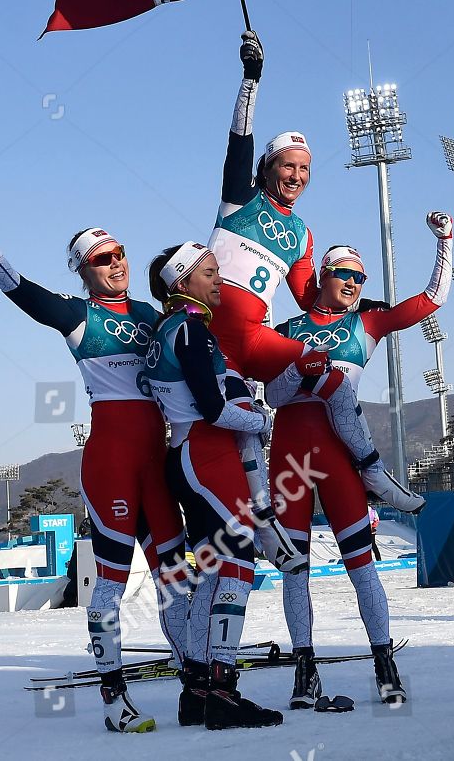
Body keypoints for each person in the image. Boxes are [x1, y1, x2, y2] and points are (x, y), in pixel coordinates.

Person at [0, 195, 188, 734]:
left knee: (178, 581)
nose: (118, 262)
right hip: (112, 462)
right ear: (85, 271)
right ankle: (114, 698)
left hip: (158, 462)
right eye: (103, 258)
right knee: (110, 584)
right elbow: (19, 289)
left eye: (121, 252)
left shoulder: (154, 315)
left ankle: (194, 681)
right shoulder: (79, 315)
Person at [205, 31, 413, 511]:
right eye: (289, 166)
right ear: (268, 167)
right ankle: (261, 519)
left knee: (332, 379)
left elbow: (308, 298)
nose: (297, 176)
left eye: (306, 169)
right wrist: (250, 80)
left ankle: (373, 472)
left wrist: (360, 301)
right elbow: (238, 142)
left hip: (255, 338)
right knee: (243, 419)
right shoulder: (241, 198)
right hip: (212, 336)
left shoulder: (301, 231)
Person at [264, 213, 451, 709]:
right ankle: (305, 672)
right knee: (295, 571)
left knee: (362, 567)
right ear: (322, 277)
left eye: (360, 277)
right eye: (344, 273)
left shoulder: (366, 323)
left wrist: (445, 242)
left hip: (339, 459)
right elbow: (271, 394)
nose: (353, 282)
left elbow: (431, 300)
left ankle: (384, 665)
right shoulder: (286, 328)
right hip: (288, 459)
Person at [142, 243, 282, 730]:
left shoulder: (167, 328)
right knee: (237, 566)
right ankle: (221, 690)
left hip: (185, 456)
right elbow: (213, 408)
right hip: (206, 453)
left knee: (210, 571)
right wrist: (259, 418)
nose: (219, 280)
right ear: (181, 284)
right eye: (209, 273)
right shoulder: (192, 330)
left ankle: (197, 692)